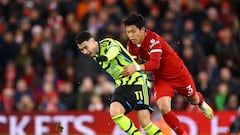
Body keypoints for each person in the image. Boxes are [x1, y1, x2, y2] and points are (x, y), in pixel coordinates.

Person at [122, 14, 214, 135]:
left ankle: (201, 103)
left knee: (193, 98)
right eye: (128, 32)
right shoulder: (131, 45)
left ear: (142, 29)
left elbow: (154, 64)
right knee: (164, 107)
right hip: (161, 79)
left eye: (133, 31)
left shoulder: (154, 39)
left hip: (178, 73)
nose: (131, 35)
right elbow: (133, 64)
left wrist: (137, 68)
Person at [75, 31, 163, 135]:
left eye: (86, 47)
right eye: (82, 50)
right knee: (115, 113)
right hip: (122, 85)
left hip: (138, 81)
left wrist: (106, 57)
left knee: (145, 123)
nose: (85, 52)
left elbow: (114, 50)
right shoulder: (95, 56)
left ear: (93, 41)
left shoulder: (107, 43)